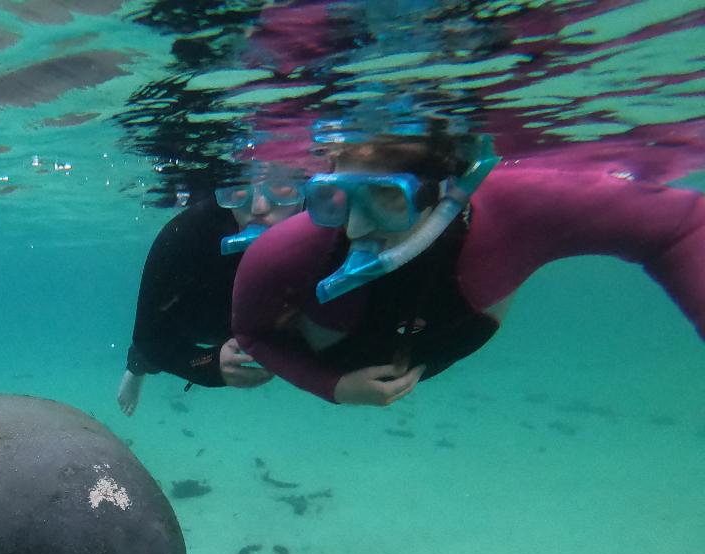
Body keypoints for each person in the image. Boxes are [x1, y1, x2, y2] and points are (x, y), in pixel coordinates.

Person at [231, 123, 705, 406]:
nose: (353, 228)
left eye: (383, 200)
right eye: (333, 197)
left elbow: (683, 226)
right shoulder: (286, 249)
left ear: (449, 195)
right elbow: (252, 332)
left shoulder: (523, 206)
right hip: (350, 353)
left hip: (448, 329)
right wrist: (331, 386)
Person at [116, 164, 306, 415]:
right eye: (239, 190)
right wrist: (211, 366)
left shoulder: (337, 231)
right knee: (151, 349)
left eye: (281, 188)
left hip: (280, 314)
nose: (259, 207)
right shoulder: (186, 234)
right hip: (205, 315)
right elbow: (149, 337)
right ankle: (137, 366)